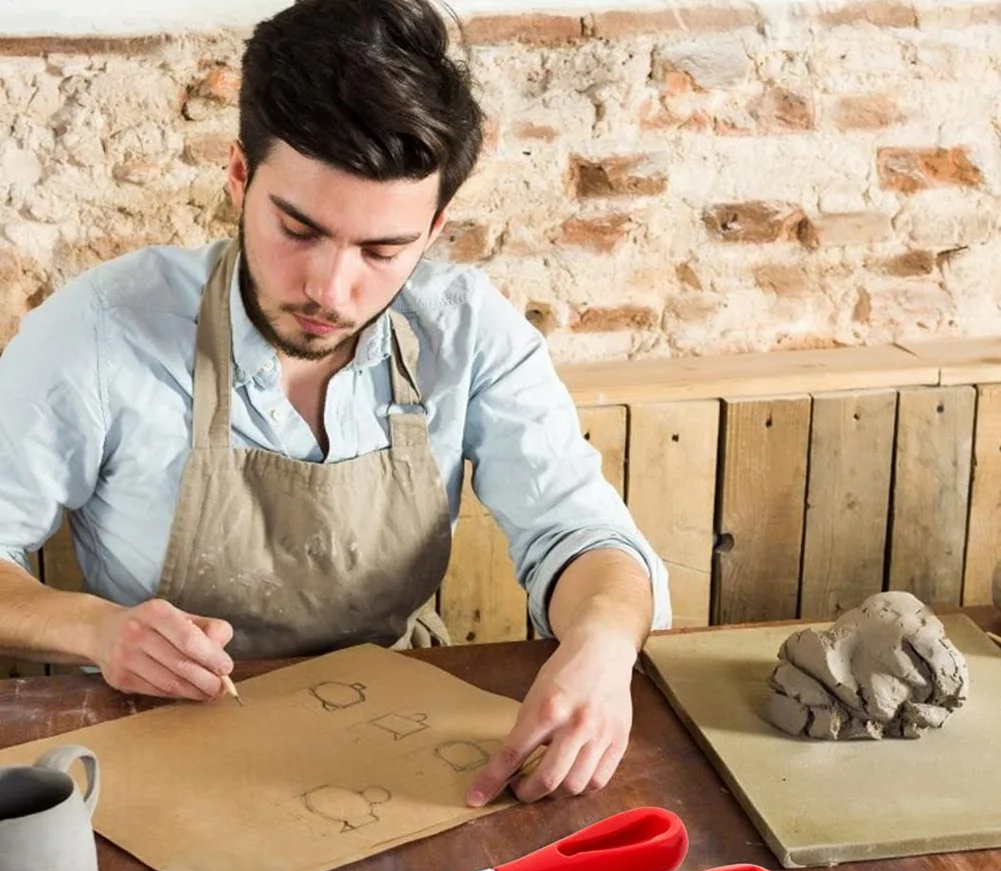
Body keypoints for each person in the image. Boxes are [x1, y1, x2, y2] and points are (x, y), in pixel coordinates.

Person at [0, 0, 670, 806]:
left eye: (382, 251)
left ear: (432, 229)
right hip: (158, 749)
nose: (330, 288)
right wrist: (96, 629)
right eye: (297, 229)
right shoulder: (103, 332)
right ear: (240, 177)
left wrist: (601, 643)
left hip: (398, 756)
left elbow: (580, 533)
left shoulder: (467, 331)